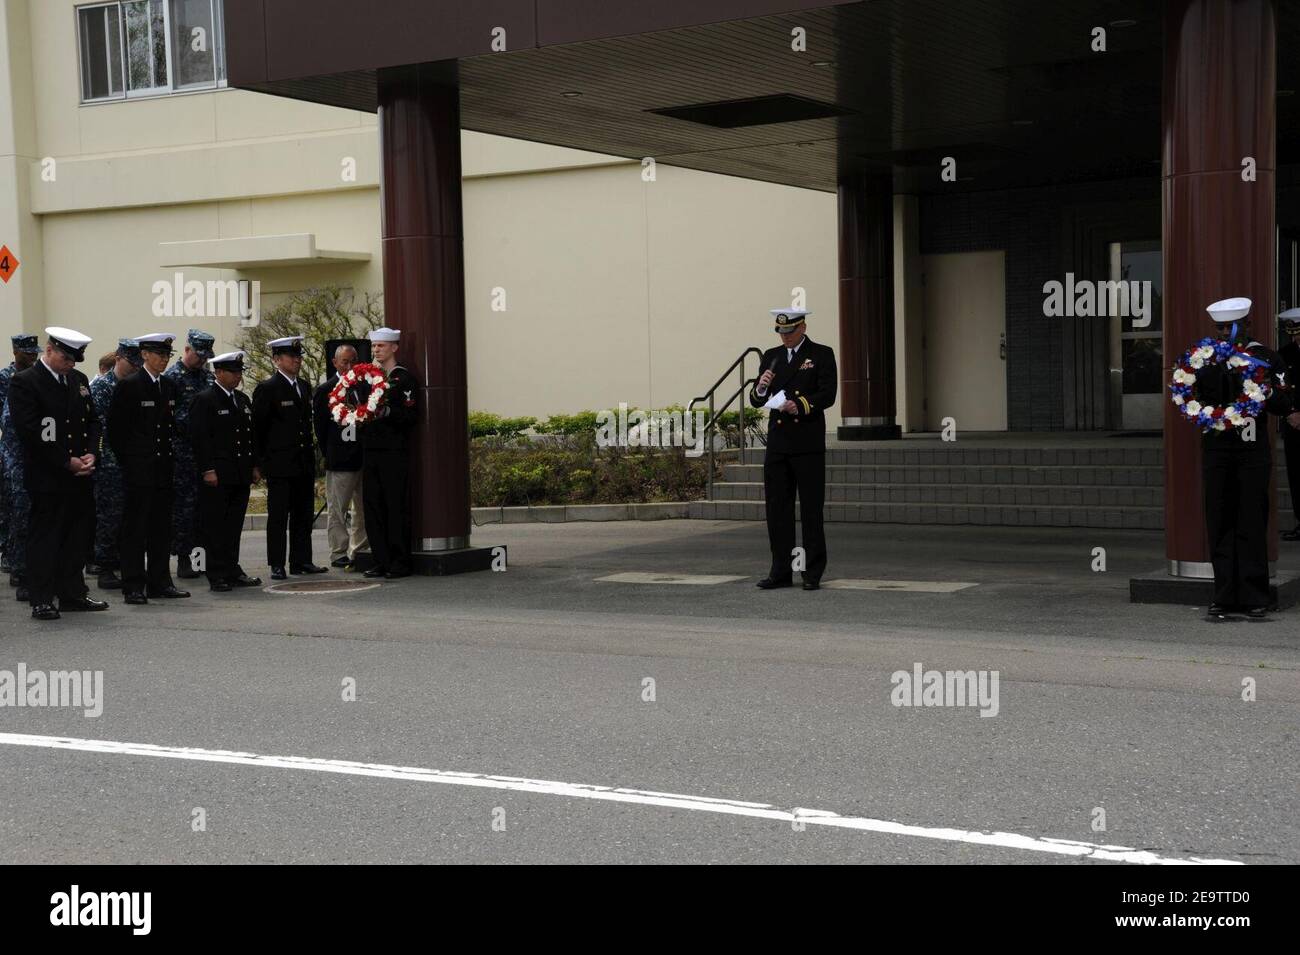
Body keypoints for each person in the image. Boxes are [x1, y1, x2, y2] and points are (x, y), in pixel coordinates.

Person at [5, 327, 109, 620]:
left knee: (77, 537)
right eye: (65, 357)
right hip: (48, 476)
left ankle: (72, 593)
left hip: (80, 475)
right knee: (46, 538)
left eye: (74, 359)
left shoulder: (78, 380)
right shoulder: (25, 382)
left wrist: (92, 453)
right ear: (48, 351)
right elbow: (31, 431)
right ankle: (41, 598)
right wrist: (66, 461)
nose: (70, 364)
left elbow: (94, 422)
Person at [1198, 298, 1293, 618]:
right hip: (1217, 449)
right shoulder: (1206, 359)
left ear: (1246, 325)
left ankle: (1255, 596)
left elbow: (1283, 403)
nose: (1225, 333)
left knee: (1251, 521)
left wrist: (1259, 382)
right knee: (1220, 520)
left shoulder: (1266, 357)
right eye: (1220, 328)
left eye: (1231, 327)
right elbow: (1194, 399)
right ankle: (1223, 596)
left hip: (1252, 452)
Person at [749, 308, 838, 591]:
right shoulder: (771, 355)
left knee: (811, 510)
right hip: (778, 443)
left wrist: (799, 405)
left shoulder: (821, 354)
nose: (784, 337)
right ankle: (780, 571)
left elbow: (828, 394)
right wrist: (761, 389)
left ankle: (812, 572)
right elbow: (755, 399)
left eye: (789, 332)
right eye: (781, 332)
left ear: (802, 327)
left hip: (807, 442)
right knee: (777, 509)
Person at [109, 332, 190, 605]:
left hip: (163, 468)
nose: (164, 360)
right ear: (144, 355)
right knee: (135, 529)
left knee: (161, 528)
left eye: (167, 355)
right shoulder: (130, 385)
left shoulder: (167, 386)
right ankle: (133, 584)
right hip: (138, 470)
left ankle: (160, 581)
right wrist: (131, 462)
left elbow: (170, 428)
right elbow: (117, 431)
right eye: (159, 354)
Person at [252, 335, 326, 580]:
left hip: (302, 462)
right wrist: (260, 463)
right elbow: (259, 429)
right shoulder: (268, 388)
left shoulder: (303, 386)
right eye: (291, 357)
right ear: (276, 360)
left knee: (303, 514)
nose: (297, 360)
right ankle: (277, 563)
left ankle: (301, 560)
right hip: (280, 464)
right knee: (278, 516)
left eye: (298, 356)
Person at [190, 351, 262, 592]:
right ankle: (217, 572)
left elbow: (249, 436)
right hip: (218, 473)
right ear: (218, 373)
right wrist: (208, 469)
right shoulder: (206, 399)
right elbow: (200, 439)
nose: (237, 376)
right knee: (215, 526)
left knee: (233, 525)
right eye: (233, 372)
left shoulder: (242, 399)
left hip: (239, 472)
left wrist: (254, 465)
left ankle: (232, 568)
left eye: (240, 372)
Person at [360, 327, 418, 579]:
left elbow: (411, 415)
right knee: (372, 506)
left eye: (381, 346)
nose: (376, 350)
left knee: (395, 506)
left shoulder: (403, 379)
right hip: (371, 450)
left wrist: (387, 413)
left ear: (394, 347)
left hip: (394, 451)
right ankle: (380, 559)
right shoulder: (368, 378)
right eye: (374, 346)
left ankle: (399, 561)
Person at [90, 339, 143, 589]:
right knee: (109, 515)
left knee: (129, 515)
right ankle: (104, 565)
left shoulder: (136, 385)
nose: (135, 367)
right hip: (109, 460)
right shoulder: (102, 387)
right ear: (119, 358)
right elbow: (100, 426)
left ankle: (125, 561)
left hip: (133, 459)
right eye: (132, 362)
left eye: (138, 363)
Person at [165, 329, 216, 579]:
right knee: (184, 509)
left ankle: (200, 559)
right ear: (187, 351)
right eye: (198, 355)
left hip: (204, 453)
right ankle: (184, 558)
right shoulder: (172, 378)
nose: (202, 360)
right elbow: (169, 417)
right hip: (182, 454)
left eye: (206, 356)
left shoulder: (207, 378)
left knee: (203, 510)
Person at [313, 343, 368, 569]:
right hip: (340, 459)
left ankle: (360, 550)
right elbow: (321, 428)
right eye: (344, 361)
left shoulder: (364, 387)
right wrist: (330, 453)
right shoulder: (326, 389)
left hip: (362, 457)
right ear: (335, 363)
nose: (349, 366)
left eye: (353, 361)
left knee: (363, 509)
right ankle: (338, 552)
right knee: (338, 509)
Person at [0, 333, 40, 582]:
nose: (32, 356)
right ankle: (13, 558)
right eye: (27, 352)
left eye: (35, 352)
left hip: (33, 450)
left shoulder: (37, 377)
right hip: (12, 449)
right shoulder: (4, 377)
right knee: (12, 506)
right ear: (16, 352)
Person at [1277, 308, 1300, 542]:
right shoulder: (1284, 354)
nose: (1295, 338)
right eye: (1293, 334)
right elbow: (1279, 388)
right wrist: (1290, 413)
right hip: (1294, 424)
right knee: (1296, 474)